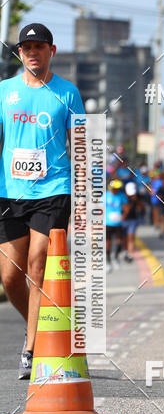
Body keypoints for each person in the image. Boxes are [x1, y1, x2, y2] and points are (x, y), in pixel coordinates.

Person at [0, 23, 84, 378]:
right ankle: (36, 324)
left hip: (53, 190)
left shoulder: (68, 93)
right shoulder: (4, 91)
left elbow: (81, 147)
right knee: (9, 277)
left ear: (52, 51)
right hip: (10, 192)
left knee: (38, 264)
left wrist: (86, 201)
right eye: (27, 47)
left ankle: (32, 348)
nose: (33, 52)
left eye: (40, 46)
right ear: (19, 54)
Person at [106, 179, 127, 271]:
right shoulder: (105, 196)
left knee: (119, 242)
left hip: (118, 223)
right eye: (115, 188)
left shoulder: (121, 196)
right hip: (107, 223)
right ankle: (108, 261)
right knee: (108, 242)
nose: (116, 190)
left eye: (117, 188)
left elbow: (126, 207)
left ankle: (115, 257)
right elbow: (99, 208)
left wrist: (123, 215)